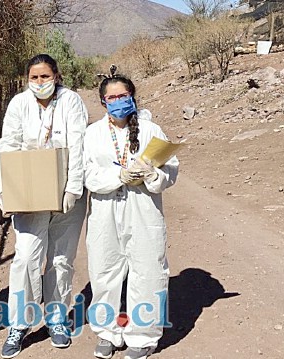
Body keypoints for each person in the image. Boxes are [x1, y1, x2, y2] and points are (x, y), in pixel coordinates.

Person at [0, 54, 89, 358]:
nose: (39, 83)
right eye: (34, 77)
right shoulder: (19, 103)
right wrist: (4, 191)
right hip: (29, 194)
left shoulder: (71, 101)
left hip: (66, 195)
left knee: (61, 258)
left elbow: (77, 144)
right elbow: (7, 146)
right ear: (27, 79)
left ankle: (57, 318)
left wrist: (73, 187)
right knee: (26, 258)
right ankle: (19, 325)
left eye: (45, 77)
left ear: (57, 76)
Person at [83, 70, 179, 359]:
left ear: (132, 97)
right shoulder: (93, 133)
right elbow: (88, 174)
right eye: (111, 97)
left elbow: (171, 169)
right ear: (103, 102)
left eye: (123, 96)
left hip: (143, 210)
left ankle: (143, 336)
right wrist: (119, 175)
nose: (118, 101)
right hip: (105, 211)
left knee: (147, 270)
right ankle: (107, 332)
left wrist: (152, 174)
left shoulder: (151, 130)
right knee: (104, 272)